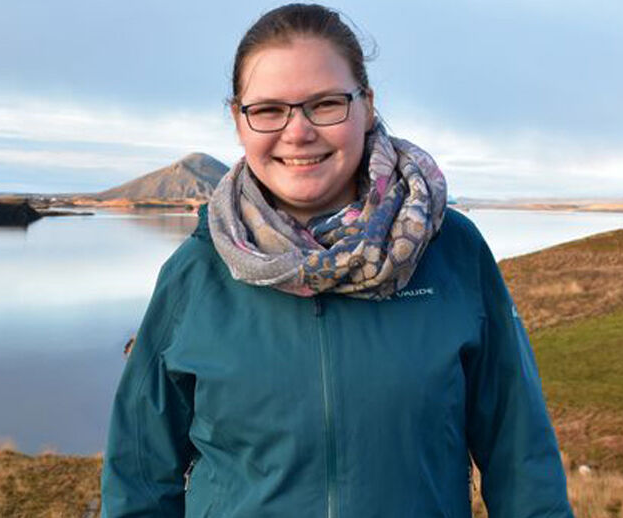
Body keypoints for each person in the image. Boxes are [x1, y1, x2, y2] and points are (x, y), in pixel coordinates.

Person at [100, 4, 574, 517]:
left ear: (366, 105)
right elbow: (139, 478)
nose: (298, 131)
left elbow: (521, 459)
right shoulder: (197, 271)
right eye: (268, 109)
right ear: (239, 121)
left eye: (325, 104)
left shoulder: (450, 250)